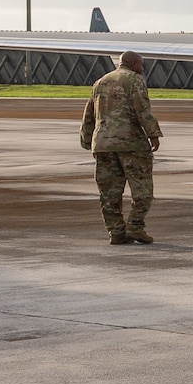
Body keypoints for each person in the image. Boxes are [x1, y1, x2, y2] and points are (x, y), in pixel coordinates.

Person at [80, 51, 161, 244]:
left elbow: (89, 114)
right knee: (142, 189)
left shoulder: (100, 82)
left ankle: (115, 232)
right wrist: (153, 133)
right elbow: (142, 108)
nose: (142, 68)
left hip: (104, 145)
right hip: (130, 143)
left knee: (109, 192)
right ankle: (135, 226)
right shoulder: (135, 79)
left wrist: (87, 139)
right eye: (141, 64)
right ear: (133, 63)